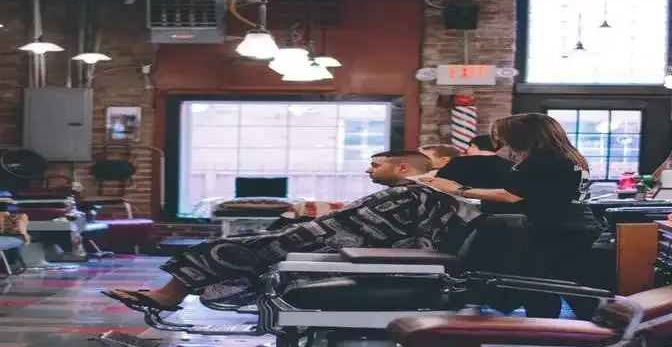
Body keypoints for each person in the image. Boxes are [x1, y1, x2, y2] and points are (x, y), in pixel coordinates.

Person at [103, 150, 481, 312]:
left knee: (229, 247)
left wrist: (287, 235)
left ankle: (169, 295)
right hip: (364, 254)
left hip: (370, 261)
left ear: (402, 169)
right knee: (247, 245)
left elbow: (342, 229)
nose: (369, 170)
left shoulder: (412, 195)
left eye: (376, 165)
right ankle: (176, 293)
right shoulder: (424, 197)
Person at [420, 113, 602, 318]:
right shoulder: (570, 158)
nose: (502, 141)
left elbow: (511, 195)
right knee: (564, 279)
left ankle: (551, 325)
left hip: (554, 227)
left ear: (524, 134)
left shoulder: (542, 160)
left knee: (541, 282)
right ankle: (586, 322)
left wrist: (459, 190)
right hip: (577, 223)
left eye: (505, 136)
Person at [435, 135, 516, 214]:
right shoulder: (511, 165)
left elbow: (438, 184)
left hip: (463, 212)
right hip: (502, 213)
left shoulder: (458, 162)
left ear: (473, 146)